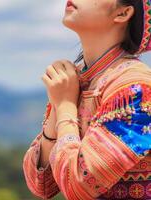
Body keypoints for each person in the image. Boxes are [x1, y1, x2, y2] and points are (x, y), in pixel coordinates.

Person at [23, 0, 151, 199]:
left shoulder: (135, 88)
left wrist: (65, 106)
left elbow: (78, 185)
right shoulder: (79, 81)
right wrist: (60, 105)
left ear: (123, 13)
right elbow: (42, 184)